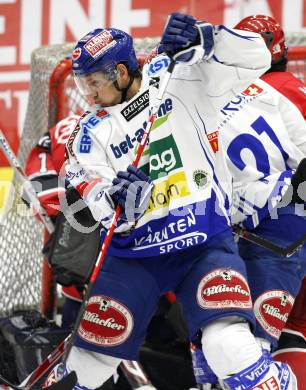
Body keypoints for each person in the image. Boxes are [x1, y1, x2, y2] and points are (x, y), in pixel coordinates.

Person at [45, 12, 296, 390]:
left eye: (96, 82)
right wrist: (114, 200)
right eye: (84, 83)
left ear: (122, 72)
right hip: (134, 255)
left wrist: (208, 39)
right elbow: (85, 184)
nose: (89, 94)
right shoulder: (89, 130)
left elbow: (256, 57)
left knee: (228, 347)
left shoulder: (180, 77)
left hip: (203, 240)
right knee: (89, 367)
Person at [191, 13, 306, 390]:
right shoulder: (279, 90)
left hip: (270, 235)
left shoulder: (242, 92)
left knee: (247, 345)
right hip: (282, 227)